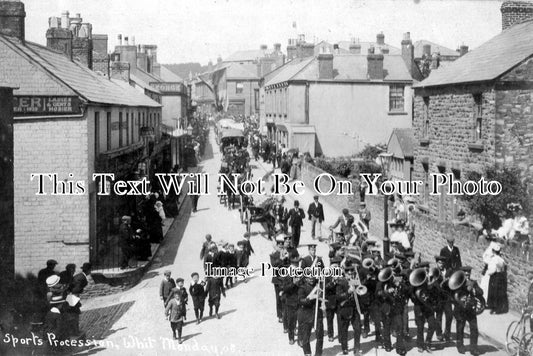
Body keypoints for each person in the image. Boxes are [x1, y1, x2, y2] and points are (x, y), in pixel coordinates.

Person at [454, 266, 482, 355]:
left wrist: (474, 290)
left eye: (468, 273)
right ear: (462, 274)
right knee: (460, 328)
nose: (467, 275)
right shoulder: (457, 282)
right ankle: (460, 346)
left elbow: (481, 292)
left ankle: (473, 348)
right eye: (465, 273)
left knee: (474, 328)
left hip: (470, 309)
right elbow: (452, 294)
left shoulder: (473, 282)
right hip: (460, 309)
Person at [336, 264, 362, 356]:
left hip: (354, 309)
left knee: (358, 329)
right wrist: (348, 292)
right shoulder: (340, 283)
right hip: (344, 309)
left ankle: (357, 349)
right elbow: (338, 296)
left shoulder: (356, 282)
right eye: (348, 273)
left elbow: (360, 294)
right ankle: (344, 348)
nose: (350, 275)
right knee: (344, 330)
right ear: (345, 273)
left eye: (351, 273)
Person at [297, 276, 324, 356]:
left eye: (313, 277)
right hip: (306, 315)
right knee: (305, 337)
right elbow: (301, 301)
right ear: (305, 278)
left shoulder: (319, 285)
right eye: (309, 277)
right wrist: (310, 298)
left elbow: (324, 296)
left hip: (317, 314)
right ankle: (307, 353)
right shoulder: (302, 288)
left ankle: (318, 354)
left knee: (320, 336)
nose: (311, 279)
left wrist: (323, 303)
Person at [281, 255, 300, 345]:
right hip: (290, 300)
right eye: (294, 265)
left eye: (297, 264)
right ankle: (291, 337)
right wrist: (293, 283)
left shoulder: (300, 273)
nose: (296, 266)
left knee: (298, 319)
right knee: (291, 320)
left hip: (299, 300)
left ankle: (299, 336)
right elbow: (285, 288)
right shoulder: (287, 275)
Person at [486, 244, 508, 314]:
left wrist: (488, 273)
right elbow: (504, 268)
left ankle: (493, 308)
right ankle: (499, 308)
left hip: (494, 276)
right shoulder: (502, 259)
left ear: (493, 251)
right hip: (501, 276)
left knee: (493, 292)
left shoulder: (494, 259)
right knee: (499, 293)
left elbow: (492, 270)